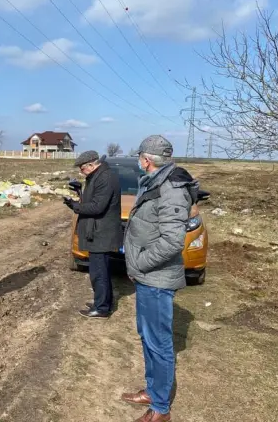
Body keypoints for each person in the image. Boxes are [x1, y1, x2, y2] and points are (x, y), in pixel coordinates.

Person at [121, 135, 199, 422]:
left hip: (155, 279)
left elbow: (171, 242)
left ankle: (161, 410)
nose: (139, 161)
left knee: (159, 343)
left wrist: (139, 263)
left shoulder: (171, 189)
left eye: (139, 156)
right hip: (146, 277)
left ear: (147, 159)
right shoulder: (156, 182)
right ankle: (153, 391)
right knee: (147, 337)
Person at [64, 150, 122, 319]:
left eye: (82, 168)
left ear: (91, 164)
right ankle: (102, 302)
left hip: (101, 232)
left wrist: (76, 206)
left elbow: (97, 207)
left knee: (99, 272)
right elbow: (92, 200)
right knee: (100, 269)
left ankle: (102, 308)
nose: (81, 172)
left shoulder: (105, 178)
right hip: (97, 230)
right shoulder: (97, 176)